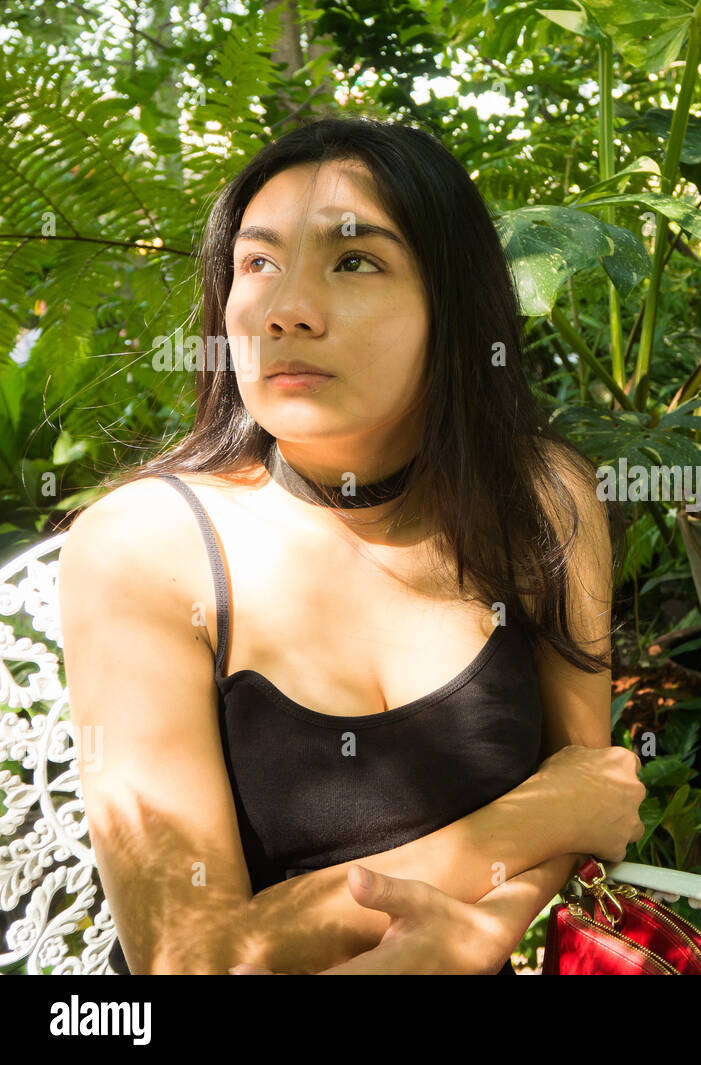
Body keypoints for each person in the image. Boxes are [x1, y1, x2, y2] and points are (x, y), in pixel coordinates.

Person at [57, 116, 646, 975]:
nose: (287, 311)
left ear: (450, 308)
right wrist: (521, 828)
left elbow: (586, 802)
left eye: (355, 259)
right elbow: (190, 960)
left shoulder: (543, 501)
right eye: (257, 262)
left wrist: (484, 931)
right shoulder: (146, 550)